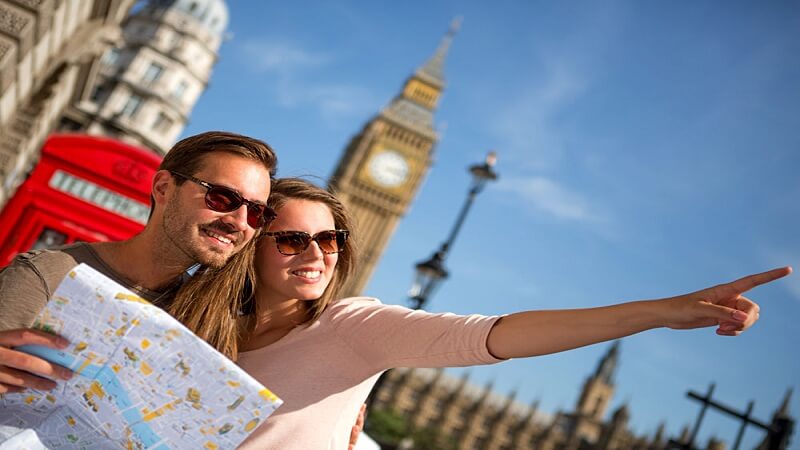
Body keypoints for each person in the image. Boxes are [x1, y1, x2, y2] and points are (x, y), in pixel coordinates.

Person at [173, 177, 792, 450]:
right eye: (292, 239)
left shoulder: (351, 327)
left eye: (330, 239)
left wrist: (662, 311)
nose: (317, 254)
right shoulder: (196, 320)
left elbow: (498, 335)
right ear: (251, 245)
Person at [0, 130, 278, 393]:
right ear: (163, 188)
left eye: (256, 212)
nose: (240, 222)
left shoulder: (207, 321)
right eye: (222, 198)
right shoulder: (48, 274)